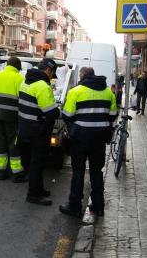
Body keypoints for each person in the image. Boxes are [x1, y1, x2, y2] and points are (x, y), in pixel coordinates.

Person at [59, 67, 117, 217]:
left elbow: (67, 115)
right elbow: (112, 115)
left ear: (82, 76)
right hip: (99, 140)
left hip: (80, 139)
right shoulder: (108, 92)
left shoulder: (76, 91)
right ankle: (98, 206)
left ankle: (74, 206)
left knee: (78, 172)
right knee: (96, 172)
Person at [18, 58, 60, 206]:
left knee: (34, 161)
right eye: (52, 74)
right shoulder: (42, 85)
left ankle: (39, 188)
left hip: (26, 127)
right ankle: (33, 194)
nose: (51, 78)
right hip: (38, 130)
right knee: (38, 162)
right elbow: (49, 112)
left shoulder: (26, 81)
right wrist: (58, 111)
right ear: (49, 70)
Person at [0, 56, 27, 182]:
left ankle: (1, 171)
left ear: (7, 65)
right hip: (12, 116)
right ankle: (17, 173)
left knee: (0, 142)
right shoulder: (20, 78)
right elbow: (24, 96)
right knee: (13, 142)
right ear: (18, 67)